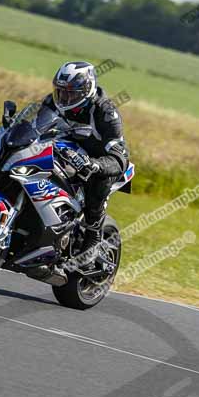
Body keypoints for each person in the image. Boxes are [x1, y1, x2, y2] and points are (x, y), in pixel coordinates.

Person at [39, 61, 129, 255]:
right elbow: (35, 128)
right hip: (66, 151)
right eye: (61, 91)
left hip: (99, 160)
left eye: (71, 93)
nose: (64, 97)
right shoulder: (52, 103)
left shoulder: (105, 112)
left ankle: (93, 233)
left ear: (86, 91)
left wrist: (95, 165)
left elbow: (120, 157)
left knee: (98, 181)